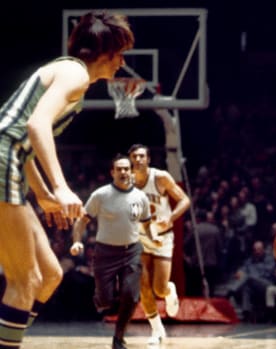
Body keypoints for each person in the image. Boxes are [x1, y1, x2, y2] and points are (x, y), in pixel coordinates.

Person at [0, 11, 133, 349]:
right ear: (105, 49)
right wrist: (60, 186)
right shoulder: (75, 73)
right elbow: (37, 126)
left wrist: (43, 194)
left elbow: (22, 137)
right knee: (24, 280)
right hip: (3, 161)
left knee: (48, 276)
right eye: (120, 53)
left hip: (11, 162)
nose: (122, 62)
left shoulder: (70, 74)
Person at [70, 154, 151, 349]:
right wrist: (76, 241)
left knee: (131, 295)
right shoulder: (101, 195)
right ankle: (101, 297)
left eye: (126, 168)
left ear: (131, 171)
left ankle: (118, 337)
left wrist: (152, 238)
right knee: (105, 301)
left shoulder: (140, 197)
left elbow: (147, 223)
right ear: (112, 172)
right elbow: (82, 220)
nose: (123, 172)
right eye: (119, 169)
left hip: (131, 251)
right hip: (105, 253)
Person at [127, 143, 190, 345]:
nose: (138, 160)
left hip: (163, 236)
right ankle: (156, 329)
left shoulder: (160, 177)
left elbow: (184, 200)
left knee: (159, 289)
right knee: (142, 284)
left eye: (141, 156)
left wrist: (170, 218)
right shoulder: (125, 182)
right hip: (140, 237)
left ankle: (169, 290)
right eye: (134, 156)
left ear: (148, 159)